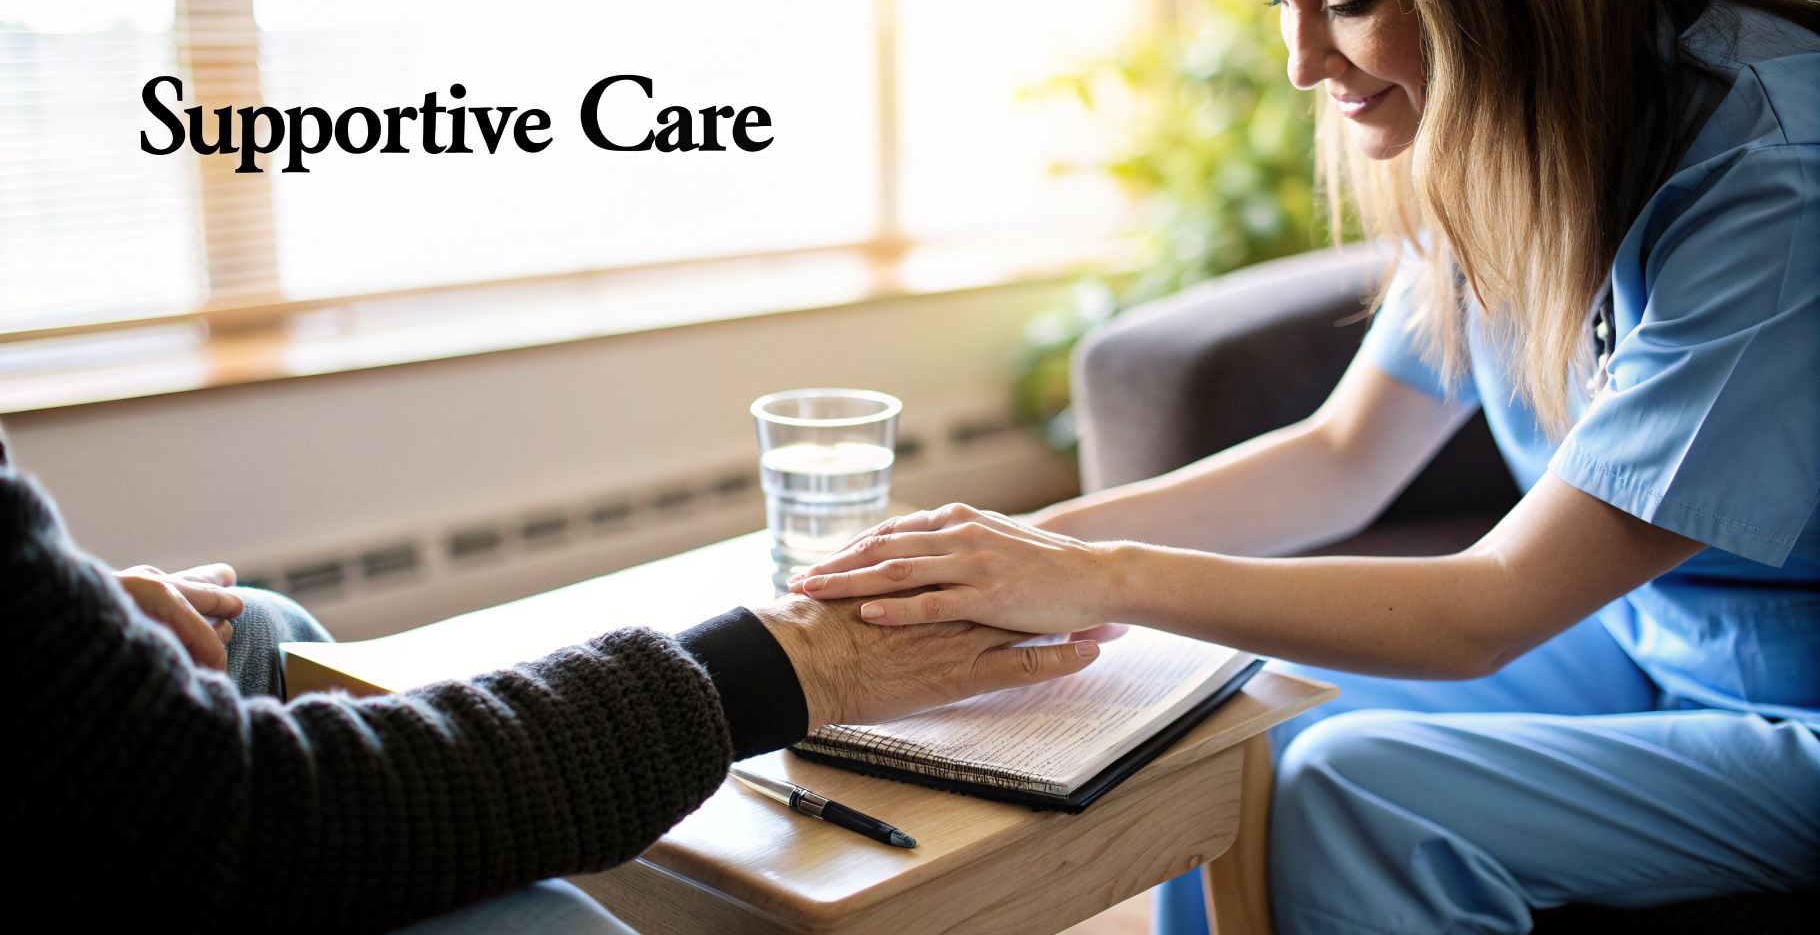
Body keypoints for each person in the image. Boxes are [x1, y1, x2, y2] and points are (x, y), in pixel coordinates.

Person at [789, 0, 1820, 931]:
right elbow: (1341, 457)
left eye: (1347, 1)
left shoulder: (1773, 176)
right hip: (1655, 645)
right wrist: (986, 560)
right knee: (1232, 737)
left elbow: (1491, 608)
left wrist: (1100, 578)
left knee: (1351, 786)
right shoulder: (1524, 130)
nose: (1299, 63)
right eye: (1279, 5)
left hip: (1795, 715)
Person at [3, 430, 1102, 934]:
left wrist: (79, 598)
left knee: (268, 633)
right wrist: (786, 664)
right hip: (204, 835)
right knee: (551, 923)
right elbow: (239, 820)